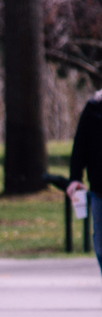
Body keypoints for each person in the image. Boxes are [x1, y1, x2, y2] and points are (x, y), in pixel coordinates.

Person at [67, 88, 102, 276]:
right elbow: (80, 144)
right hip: (99, 188)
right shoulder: (94, 108)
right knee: (100, 242)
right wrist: (74, 179)